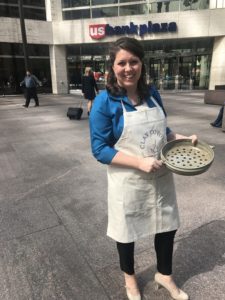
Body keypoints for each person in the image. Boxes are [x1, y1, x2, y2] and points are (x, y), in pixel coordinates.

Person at [89, 37, 198, 300]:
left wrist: (179, 138)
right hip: (128, 180)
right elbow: (99, 149)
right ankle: (130, 280)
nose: (128, 68)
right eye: (122, 63)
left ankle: (165, 275)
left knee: (167, 226)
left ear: (142, 64)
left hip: (160, 176)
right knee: (126, 232)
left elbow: (162, 131)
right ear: (112, 67)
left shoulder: (153, 94)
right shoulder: (104, 102)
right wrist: (139, 162)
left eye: (134, 61)